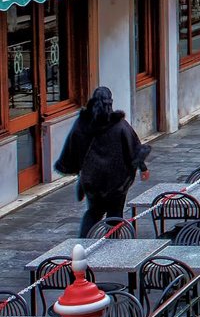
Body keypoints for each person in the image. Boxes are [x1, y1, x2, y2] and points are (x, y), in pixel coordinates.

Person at [55, 86, 151, 236]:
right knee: (115, 214)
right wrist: (143, 168)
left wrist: (76, 169)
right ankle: (112, 248)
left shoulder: (82, 124)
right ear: (110, 103)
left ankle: (84, 243)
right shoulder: (120, 126)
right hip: (117, 183)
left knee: (93, 213)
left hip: (92, 181)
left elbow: (72, 148)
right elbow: (133, 149)